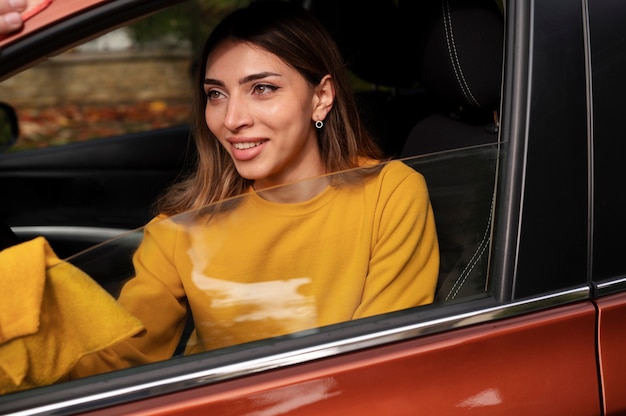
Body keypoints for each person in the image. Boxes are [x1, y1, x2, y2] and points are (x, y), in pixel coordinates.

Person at [71, 0, 439, 377]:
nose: (231, 120)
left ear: (321, 97)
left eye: (262, 88)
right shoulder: (179, 228)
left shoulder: (390, 194)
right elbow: (116, 360)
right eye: (216, 94)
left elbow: (378, 364)